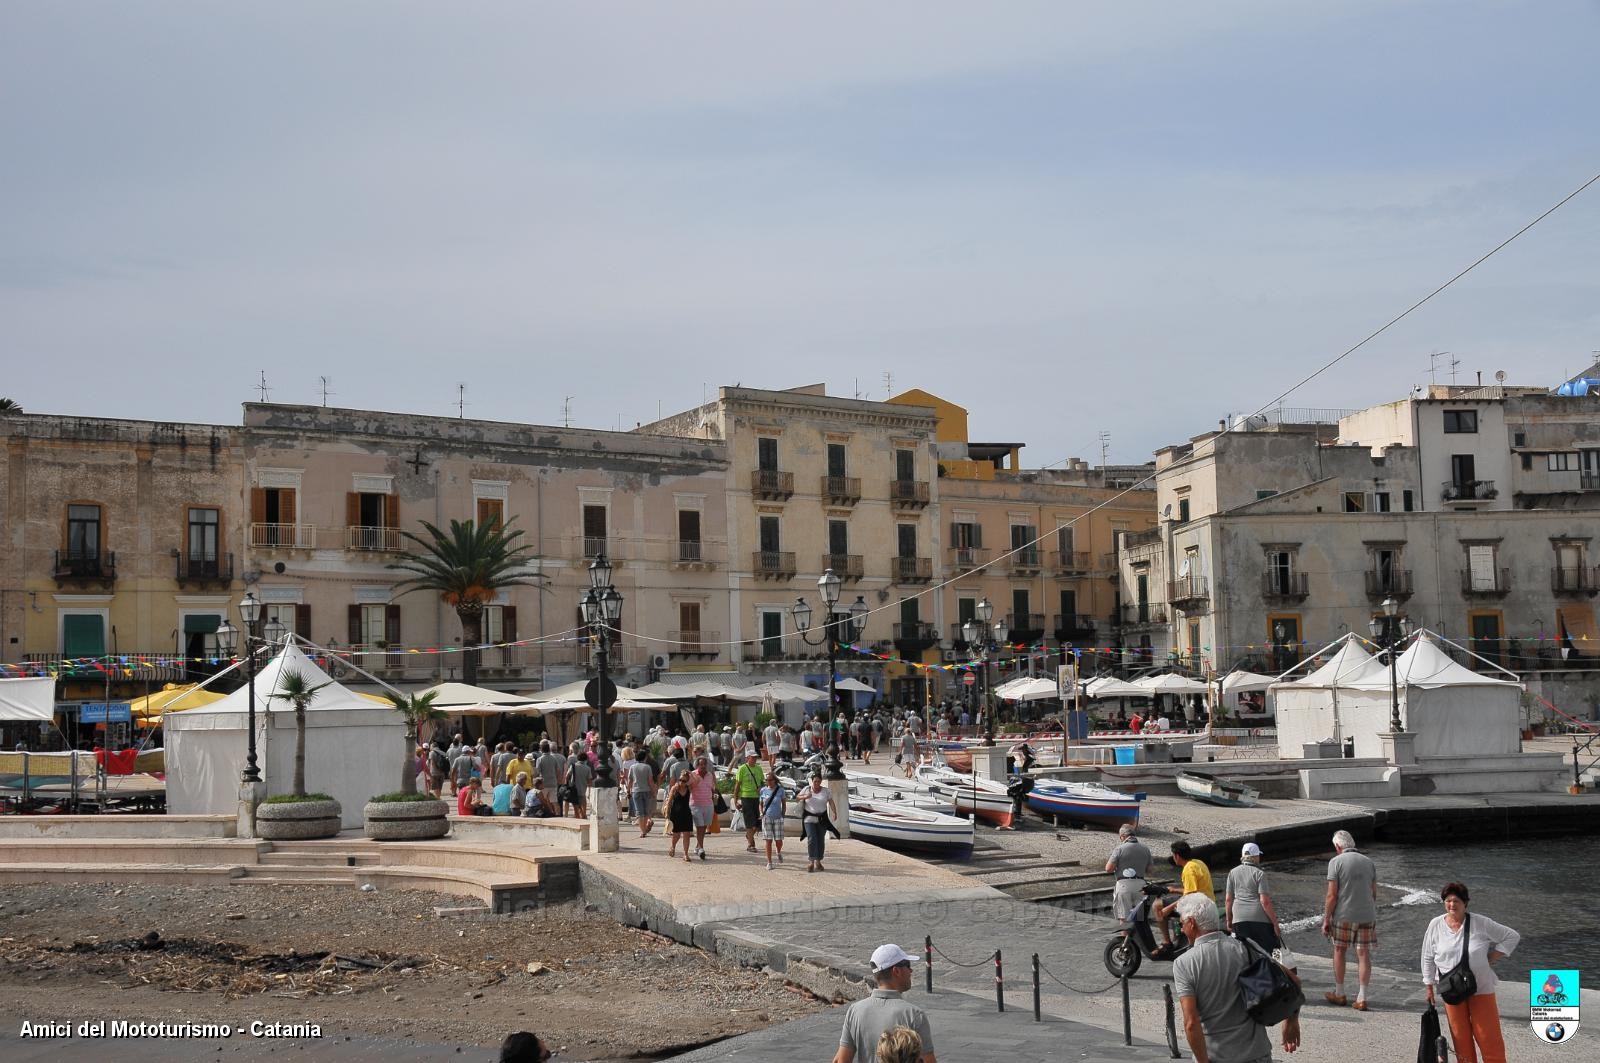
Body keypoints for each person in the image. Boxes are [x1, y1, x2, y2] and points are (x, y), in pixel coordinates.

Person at [1172, 892, 1301, 1063]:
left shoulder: (1184, 963)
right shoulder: (1245, 947)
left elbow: (1191, 1023)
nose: (1182, 929)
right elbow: (1294, 981)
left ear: (1191, 923)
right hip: (1257, 1054)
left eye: (1181, 924)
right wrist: (1291, 1021)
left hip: (1217, 1057)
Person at [1421, 882, 1518, 1063]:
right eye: (1448, 901)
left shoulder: (1481, 923)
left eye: (1456, 901)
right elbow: (1427, 956)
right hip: (1452, 991)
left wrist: (1490, 958)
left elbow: (1511, 936)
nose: (1452, 905)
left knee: (1489, 1038)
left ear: (1465, 903)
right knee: (1461, 1040)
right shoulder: (1435, 925)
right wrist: (1429, 986)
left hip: (1481, 988)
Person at [832, 944, 936, 1063]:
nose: (911, 970)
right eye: (908, 965)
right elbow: (928, 1060)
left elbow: (841, 1060)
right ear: (896, 971)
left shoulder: (855, 1010)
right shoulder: (914, 1015)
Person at [1322, 829, 1378, 1010]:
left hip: (1344, 914)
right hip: (1367, 915)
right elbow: (1373, 893)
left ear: (1338, 846)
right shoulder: (1369, 862)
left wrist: (1326, 918)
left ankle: (1339, 993)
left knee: (1339, 950)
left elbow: (1332, 895)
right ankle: (1362, 997)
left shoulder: (1335, 862)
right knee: (1363, 954)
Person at [1154, 840, 1215, 955]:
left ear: (1177, 856)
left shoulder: (1188, 870)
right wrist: (1174, 890)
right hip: (1208, 900)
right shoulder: (1198, 863)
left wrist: (1168, 909)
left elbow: (1190, 895)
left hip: (1199, 905)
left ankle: (1167, 942)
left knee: (1157, 905)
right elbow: (1194, 889)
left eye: (1173, 855)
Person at [1225, 842, 1283, 957]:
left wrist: (1229, 920)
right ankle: (1274, 967)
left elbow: (1228, 900)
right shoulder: (1260, 874)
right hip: (1259, 918)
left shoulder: (1232, 873)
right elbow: (1265, 902)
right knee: (1271, 951)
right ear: (1255, 857)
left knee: (1244, 953)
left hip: (1239, 918)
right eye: (1258, 855)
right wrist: (1275, 924)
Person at [1105, 823, 1154, 924]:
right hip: (1140, 885)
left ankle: (1125, 934)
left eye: (1120, 837)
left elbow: (1108, 869)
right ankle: (1138, 934)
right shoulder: (1145, 849)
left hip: (1124, 885)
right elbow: (1150, 871)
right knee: (1140, 919)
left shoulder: (1119, 849)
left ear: (1123, 836)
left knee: (1124, 918)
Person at [800, 769, 837, 873]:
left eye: (818, 781)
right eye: (815, 781)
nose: (817, 783)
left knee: (820, 839)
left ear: (821, 781)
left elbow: (831, 802)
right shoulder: (806, 789)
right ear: (812, 781)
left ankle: (818, 861)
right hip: (809, 818)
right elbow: (798, 797)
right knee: (811, 838)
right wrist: (805, 796)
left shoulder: (826, 791)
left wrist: (834, 812)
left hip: (822, 819)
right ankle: (811, 861)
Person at [732, 748, 765, 854]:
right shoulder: (742, 769)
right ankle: (751, 844)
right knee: (750, 822)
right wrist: (736, 799)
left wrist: (761, 789)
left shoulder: (759, 769)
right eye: (752, 757)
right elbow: (737, 785)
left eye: (755, 757)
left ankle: (749, 835)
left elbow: (762, 782)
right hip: (746, 797)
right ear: (747, 758)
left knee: (758, 822)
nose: (755, 759)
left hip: (757, 797)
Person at [687, 755, 717, 860]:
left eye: (704, 764)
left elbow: (713, 788)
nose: (703, 766)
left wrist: (715, 797)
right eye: (701, 764)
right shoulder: (692, 774)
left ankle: (698, 846)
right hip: (695, 804)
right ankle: (701, 848)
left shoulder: (710, 775)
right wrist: (694, 783)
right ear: (697, 765)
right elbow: (688, 789)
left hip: (708, 804)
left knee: (703, 827)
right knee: (699, 826)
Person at [759, 769, 786, 869]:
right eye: (767, 780)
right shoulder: (763, 790)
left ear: (775, 780)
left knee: (779, 840)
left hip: (778, 817)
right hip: (767, 817)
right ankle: (769, 862)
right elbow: (760, 804)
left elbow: (784, 803)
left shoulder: (780, 790)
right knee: (768, 840)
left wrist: (783, 815)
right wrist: (761, 813)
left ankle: (778, 851)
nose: (768, 782)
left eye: (770, 780)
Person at [625, 749, 656, 837]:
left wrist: (628, 790)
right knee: (646, 812)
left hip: (636, 791)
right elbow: (650, 781)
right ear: (645, 758)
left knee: (639, 813)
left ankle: (643, 831)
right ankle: (644, 829)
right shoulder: (647, 767)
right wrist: (653, 791)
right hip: (647, 791)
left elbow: (630, 780)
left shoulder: (632, 767)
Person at [666, 769, 694, 861]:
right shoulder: (675, 788)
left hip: (686, 814)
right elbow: (669, 802)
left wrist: (690, 773)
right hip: (675, 814)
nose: (681, 782)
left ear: (687, 781)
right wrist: (667, 814)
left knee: (686, 834)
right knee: (676, 835)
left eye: (684, 781)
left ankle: (685, 854)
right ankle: (673, 847)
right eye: (680, 780)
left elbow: (697, 781)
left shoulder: (689, 788)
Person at [563, 742, 593, 818]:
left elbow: (567, 776)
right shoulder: (588, 768)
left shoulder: (573, 766)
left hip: (573, 788)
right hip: (583, 788)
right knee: (583, 801)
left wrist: (567, 784)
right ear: (585, 759)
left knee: (575, 803)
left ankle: (577, 815)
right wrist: (588, 787)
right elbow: (589, 780)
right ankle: (583, 814)